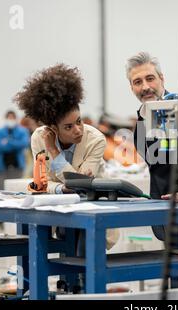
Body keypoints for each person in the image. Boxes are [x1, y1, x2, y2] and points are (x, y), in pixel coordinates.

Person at [14, 63, 119, 250]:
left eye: (78, 121)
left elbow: (79, 185)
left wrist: (54, 153)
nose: (78, 130)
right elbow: (40, 184)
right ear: (52, 129)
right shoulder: (39, 138)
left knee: (84, 260)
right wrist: (61, 189)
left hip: (92, 213)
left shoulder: (95, 140)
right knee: (40, 248)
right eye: (68, 127)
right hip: (59, 215)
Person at [126, 52, 178, 284]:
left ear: (162, 78)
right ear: (131, 87)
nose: (145, 86)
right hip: (164, 206)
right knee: (176, 277)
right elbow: (154, 160)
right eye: (137, 82)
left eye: (150, 79)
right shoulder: (143, 119)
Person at [0, 110, 30, 190]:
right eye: (9, 118)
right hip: (2, 167)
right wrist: (15, 144)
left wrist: (8, 141)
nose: (10, 120)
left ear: (16, 119)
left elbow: (24, 144)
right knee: (0, 189)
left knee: (16, 189)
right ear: (5, 119)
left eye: (12, 118)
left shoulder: (23, 131)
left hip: (17, 166)